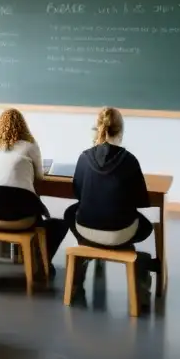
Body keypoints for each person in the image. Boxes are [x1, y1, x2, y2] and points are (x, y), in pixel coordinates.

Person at [64, 107, 153, 300]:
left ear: (98, 129)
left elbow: (77, 193)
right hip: (120, 233)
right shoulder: (130, 160)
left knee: (70, 213)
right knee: (146, 225)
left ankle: (82, 260)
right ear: (121, 131)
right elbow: (141, 200)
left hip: (86, 229)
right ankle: (141, 277)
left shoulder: (84, 157)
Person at [0, 108, 66, 271]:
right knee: (54, 223)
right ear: (23, 126)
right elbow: (40, 177)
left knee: (13, 202)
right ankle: (42, 263)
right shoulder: (29, 146)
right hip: (21, 217)